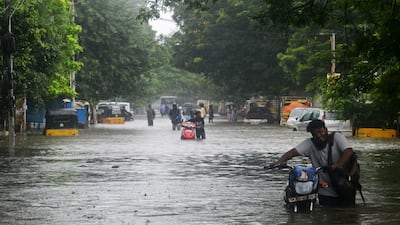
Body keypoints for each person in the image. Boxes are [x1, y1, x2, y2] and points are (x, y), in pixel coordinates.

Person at [271, 119, 356, 207]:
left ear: (326, 130)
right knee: (326, 213)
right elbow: (292, 152)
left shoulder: (337, 137)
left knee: (348, 212)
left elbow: (348, 151)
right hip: (325, 189)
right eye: (315, 134)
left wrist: (338, 164)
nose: (318, 136)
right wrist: (278, 162)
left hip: (344, 185)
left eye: (320, 132)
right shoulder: (310, 144)